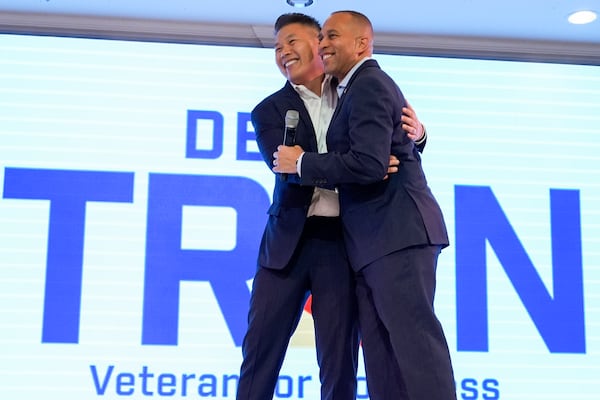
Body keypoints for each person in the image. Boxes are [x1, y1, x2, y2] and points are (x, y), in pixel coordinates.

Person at [236, 13, 427, 400]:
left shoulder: (357, 90)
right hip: (285, 246)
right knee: (260, 352)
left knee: (339, 359)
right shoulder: (268, 111)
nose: (283, 53)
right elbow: (288, 169)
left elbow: (391, 141)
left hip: (342, 243)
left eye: (292, 42)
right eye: (276, 48)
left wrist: (420, 136)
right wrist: (364, 167)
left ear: (320, 42)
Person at [273, 10, 457, 400]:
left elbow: (371, 163)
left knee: (415, 346)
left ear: (362, 43)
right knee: (382, 355)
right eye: (321, 37)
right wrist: (411, 140)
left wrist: (301, 162)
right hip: (373, 245)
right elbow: (380, 153)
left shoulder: (369, 84)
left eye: (332, 36)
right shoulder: (353, 89)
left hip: (397, 235)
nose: (323, 44)